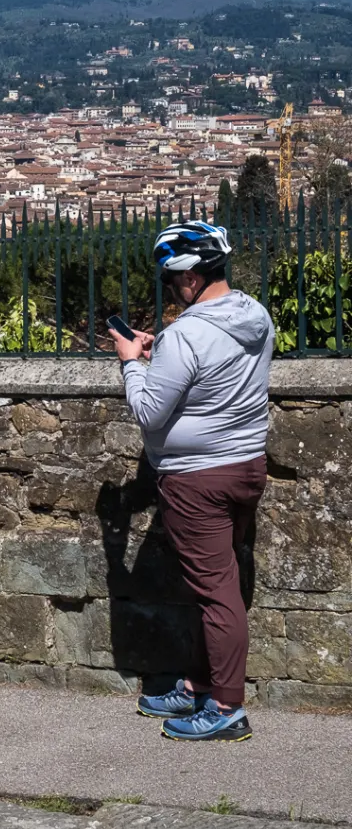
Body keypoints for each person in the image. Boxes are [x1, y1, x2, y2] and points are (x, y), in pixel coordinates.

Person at [113, 220, 273, 743]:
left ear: (187, 278)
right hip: (245, 466)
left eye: (167, 281)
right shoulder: (254, 315)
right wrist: (163, 358)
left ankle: (225, 707)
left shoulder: (187, 333)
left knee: (216, 593)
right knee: (217, 586)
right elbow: (215, 381)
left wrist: (132, 365)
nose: (169, 291)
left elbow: (149, 414)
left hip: (197, 480)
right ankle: (199, 684)